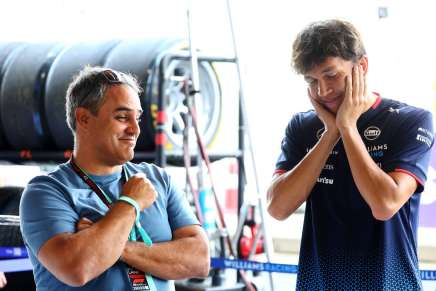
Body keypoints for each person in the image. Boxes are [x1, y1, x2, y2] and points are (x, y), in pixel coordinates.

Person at [267, 19, 434, 290]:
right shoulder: (303, 126)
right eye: (312, 81)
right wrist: (329, 134)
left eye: (331, 75)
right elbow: (277, 207)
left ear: (362, 67)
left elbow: (385, 205)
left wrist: (347, 127)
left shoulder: (411, 120)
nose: (323, 91)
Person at [20, 66, 210, 290]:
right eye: (122, 117)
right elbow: (77, 268)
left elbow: (200, 260)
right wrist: (130, 203)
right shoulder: (46, 192)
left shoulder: (158, 180)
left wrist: (118, 246)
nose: (135, 129)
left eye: (137, 118)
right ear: (84, 119)